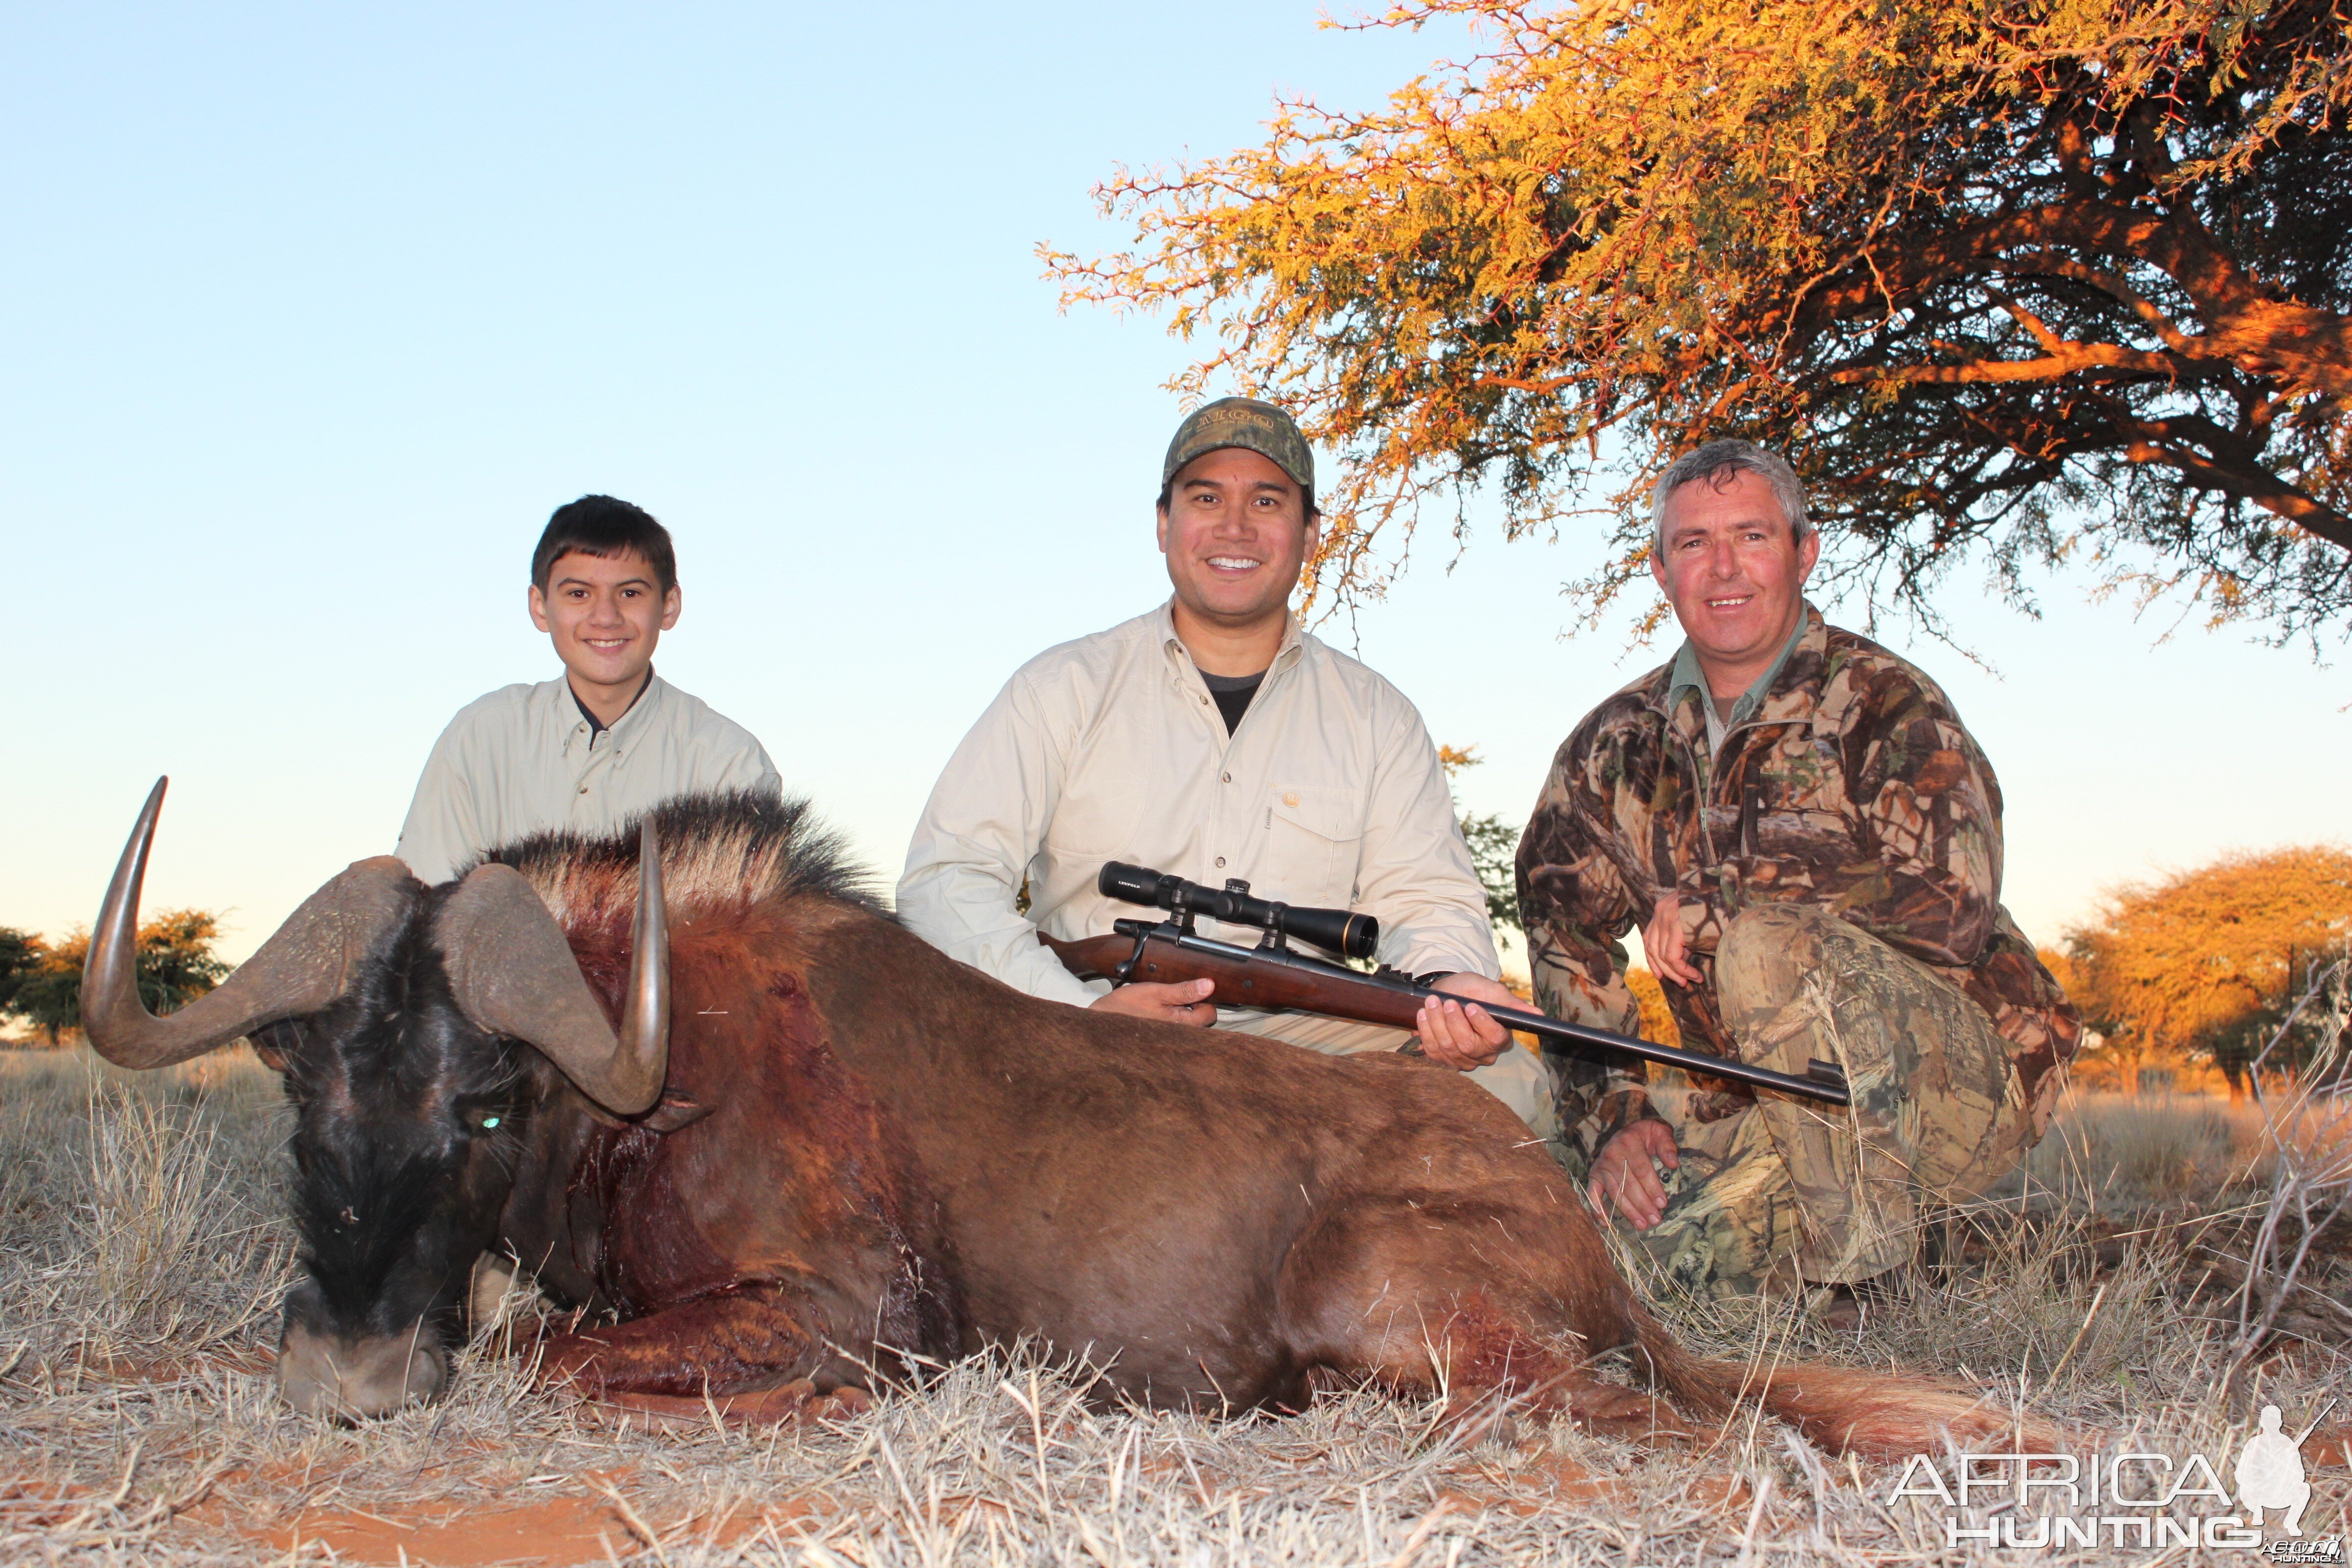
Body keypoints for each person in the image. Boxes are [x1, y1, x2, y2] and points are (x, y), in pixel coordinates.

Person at [1515, 439, 2078, 1311]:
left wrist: (1719, 906)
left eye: (1752, 535)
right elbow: (1560, 920)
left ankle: (1868, 1286)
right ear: (1659, 568)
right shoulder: (1613, 743)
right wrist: (1616, 1116)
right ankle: (1798, 1246)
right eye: (1694, 543)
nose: (1724, 567)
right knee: (1622, 1261)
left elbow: (1952, 906)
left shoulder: (1889, 702)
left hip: (1958, 1086)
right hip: (1759, 1101)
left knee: (1760, 946)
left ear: (1803, 552)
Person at [897, 397, 1555, 1133]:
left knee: (1509, 1083)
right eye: (1206, 497)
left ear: (1309, 534)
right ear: (1163, 525)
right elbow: (946, 877)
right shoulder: (1063, 686)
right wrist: (1080, 1013)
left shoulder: (1379, 717)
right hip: (1086, 1018)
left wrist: (1446, 984)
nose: (1234, 526)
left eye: (1266, 501)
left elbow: (1428, 898)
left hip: (1300, 1026)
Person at [395, 494, 782, 885]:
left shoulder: (731, 765)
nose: (606, 618)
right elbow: (426, 904)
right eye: (579, 594)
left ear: (669, 605)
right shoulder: (481, 737)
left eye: (630, 593)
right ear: (540, 607)